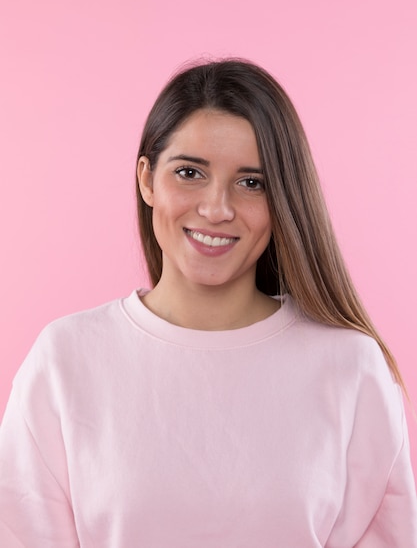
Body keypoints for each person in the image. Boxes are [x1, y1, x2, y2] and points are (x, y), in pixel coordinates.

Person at [0, 59, 416, 546]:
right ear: (146, 180)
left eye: (251, 182)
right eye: (190, 172)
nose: (217, 209)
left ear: (283, 196)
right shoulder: (66, 358)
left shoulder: (349, 367)